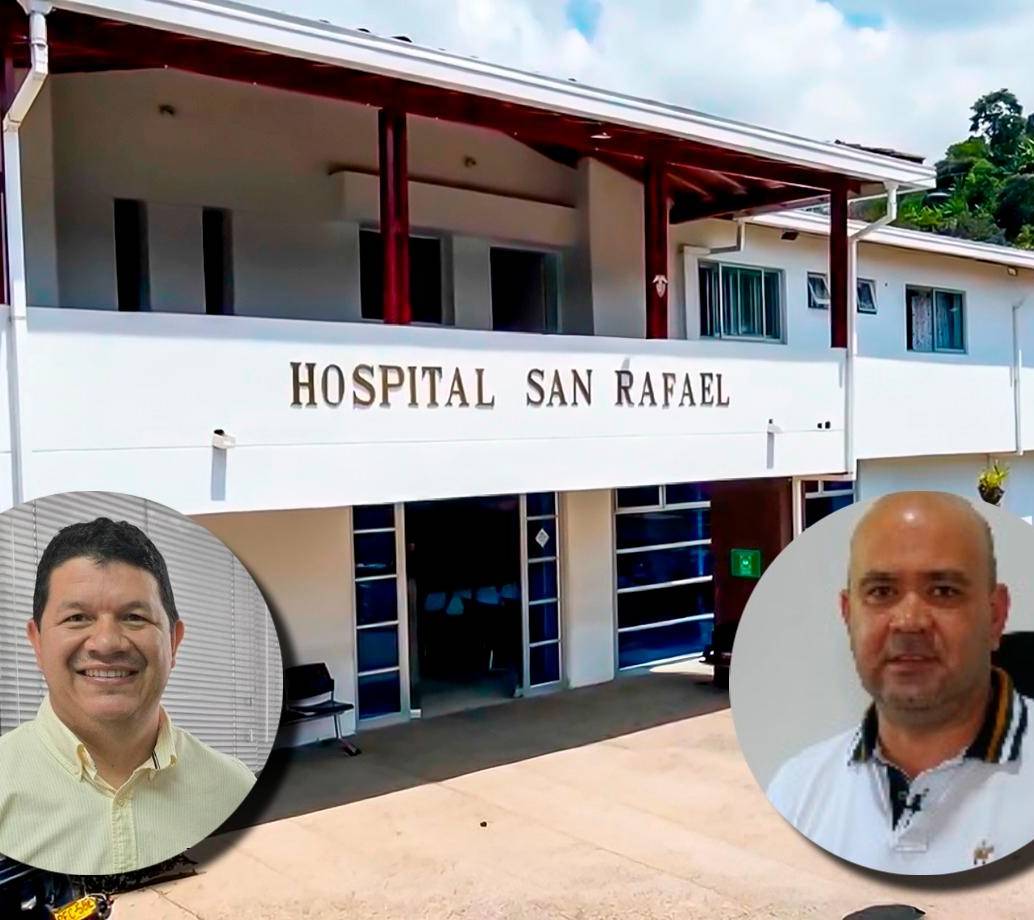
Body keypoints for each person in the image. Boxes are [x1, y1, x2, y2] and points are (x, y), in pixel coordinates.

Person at [767, 491, 1033, 875]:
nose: (909, 621)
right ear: (848, 616)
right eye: (881, 592)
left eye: (943, 591)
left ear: (995, 615)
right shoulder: (799, 787)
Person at [0, 517, 256, 875]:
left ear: (174, 640)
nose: (106, 643)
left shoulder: (234, 789)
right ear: (37, 640)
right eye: (77, 618)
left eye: (134, 617)